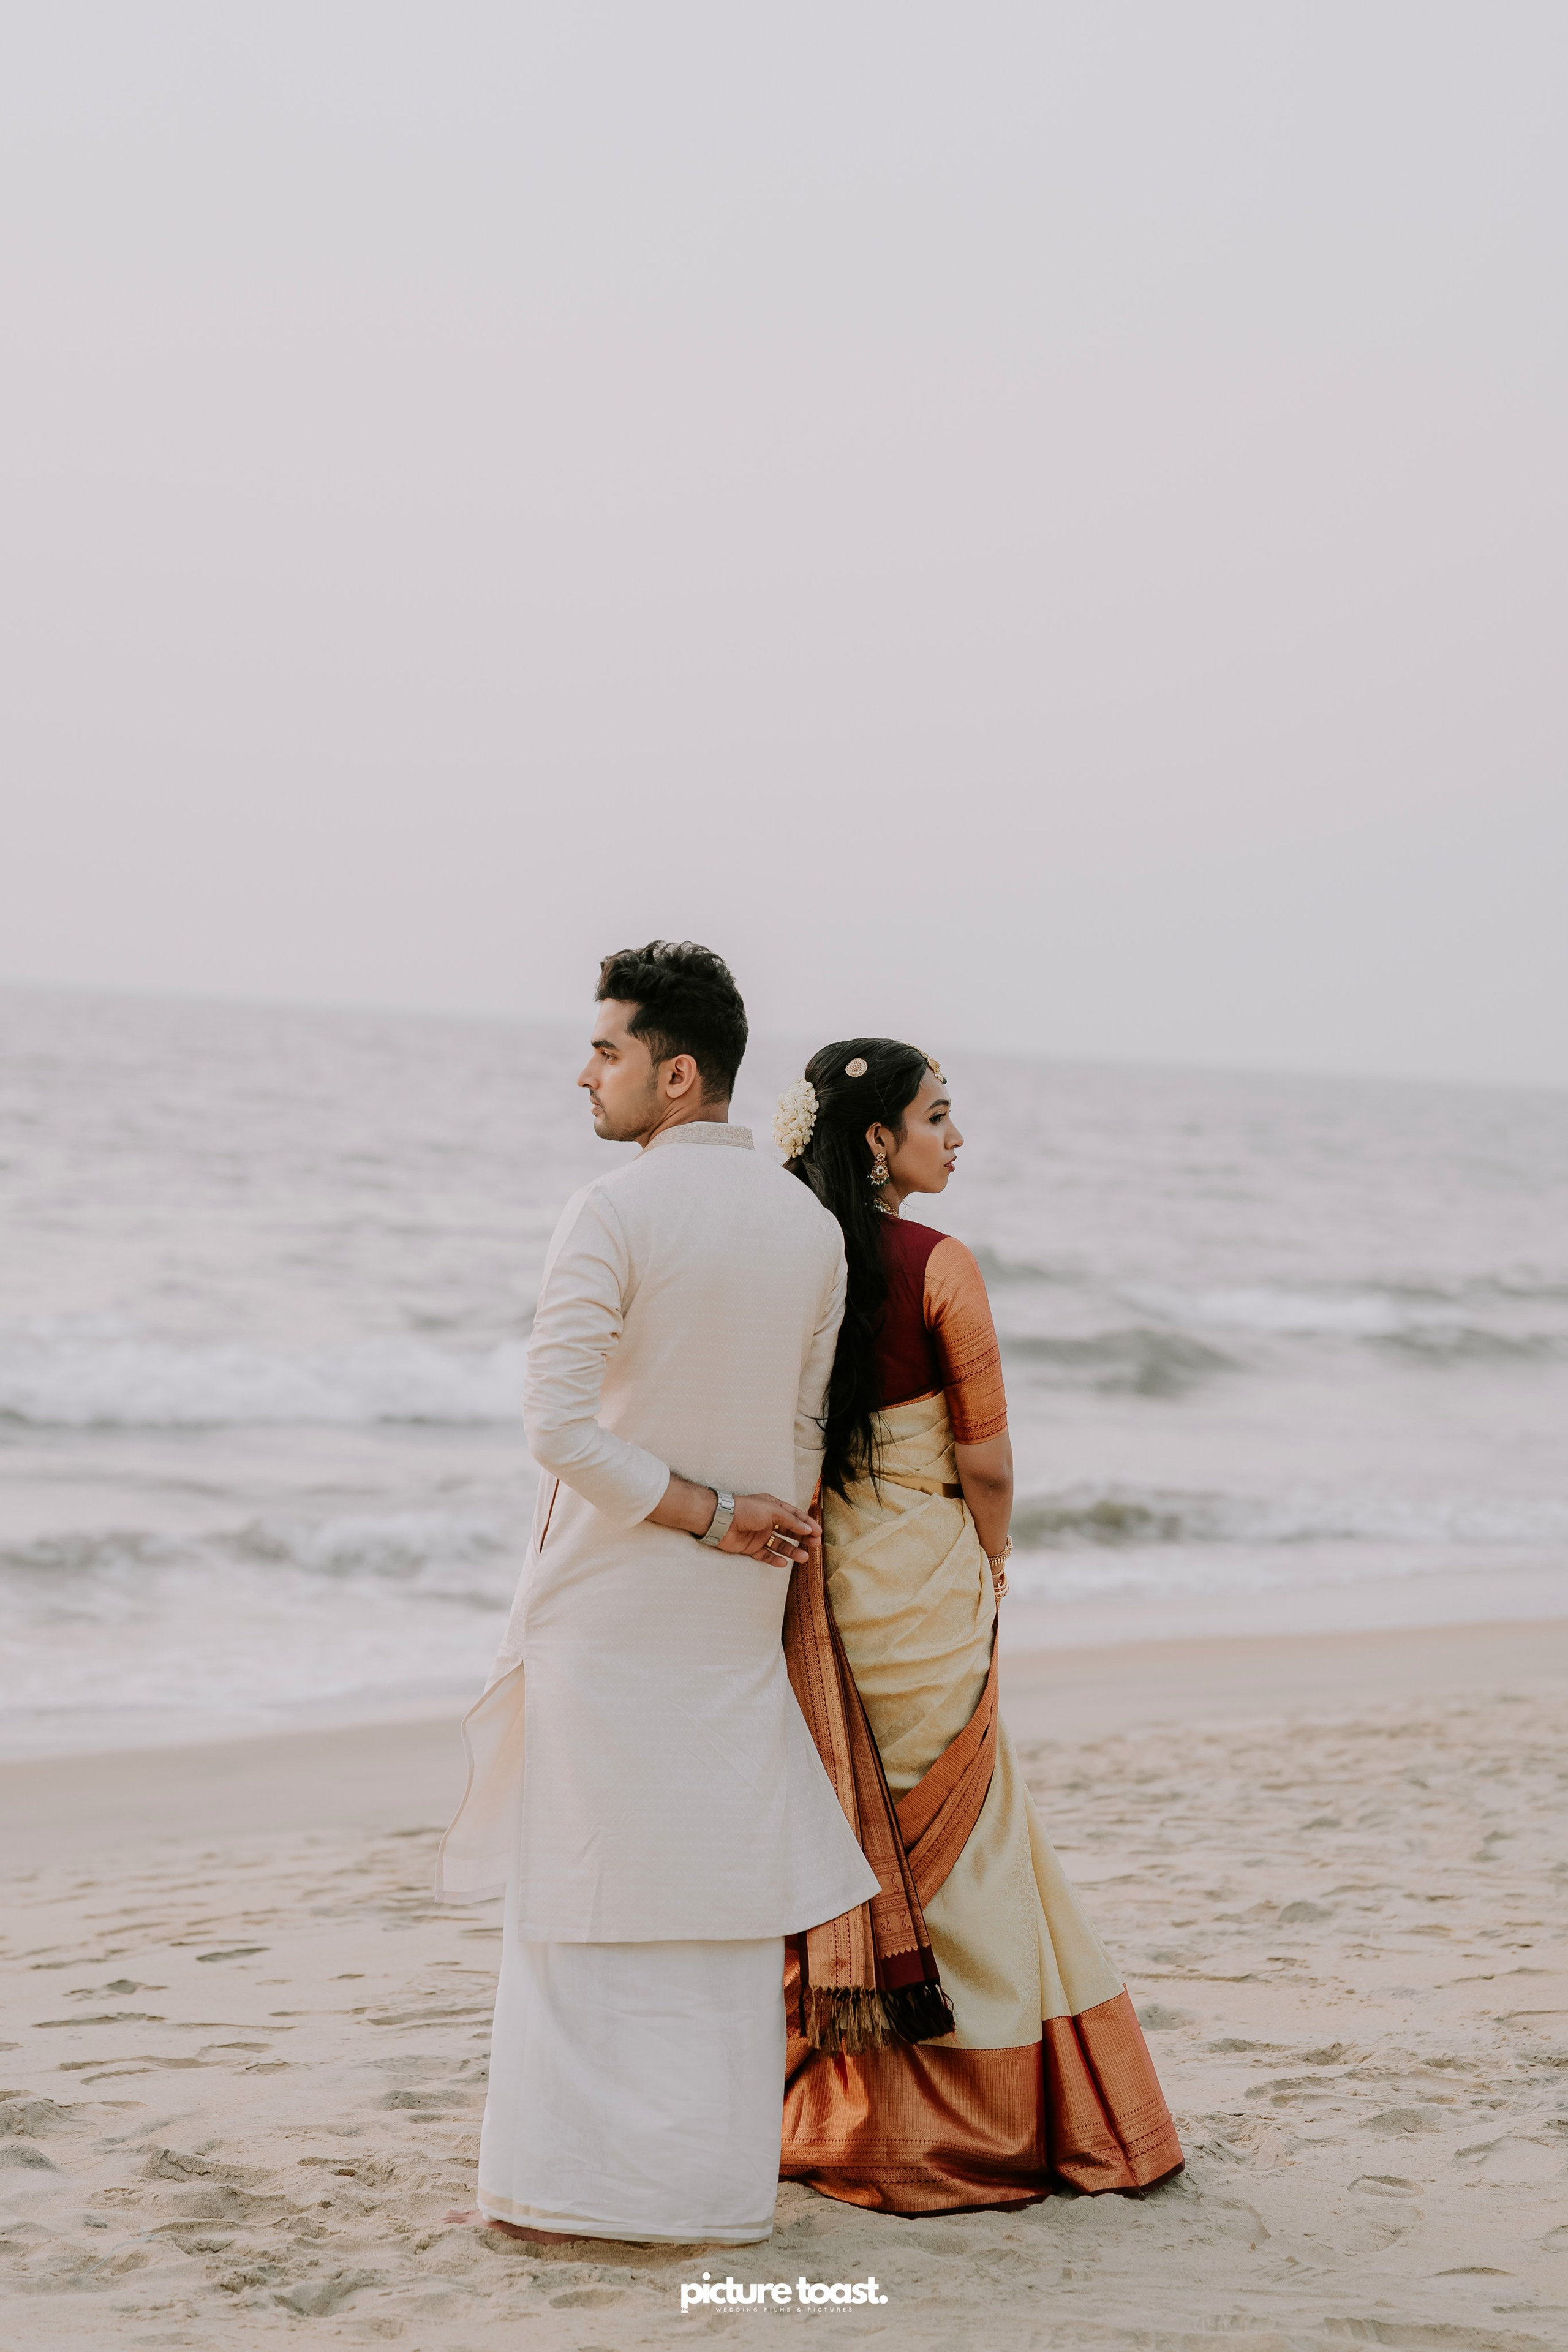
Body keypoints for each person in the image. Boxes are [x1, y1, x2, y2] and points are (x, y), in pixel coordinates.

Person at [438, 944, 877, 2247]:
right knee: (713, 1900)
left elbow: (556, 1427)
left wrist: (692, 1513)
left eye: (608, 1052)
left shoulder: (611, 1211)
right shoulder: (808, 1228)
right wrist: (743, 1528)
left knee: (579, 1894)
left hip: (616, 1596)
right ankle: (704, 2199)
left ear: (676, 1076)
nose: (585, 1073)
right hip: (734, 1606)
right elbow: (799, 1440)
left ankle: (561, 2198)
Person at [774, 1039, 1183, 2213]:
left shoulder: (792, 1260)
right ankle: (983, 2122)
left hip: (815, 1579)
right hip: (923, 1574)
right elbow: (988, 1459)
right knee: (967, 1832)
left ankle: (838, 2106)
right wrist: (993, 1560)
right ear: (876, 1140)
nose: (957, 1138)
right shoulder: (939, 1261)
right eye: (938, 1117)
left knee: (854, 1825)